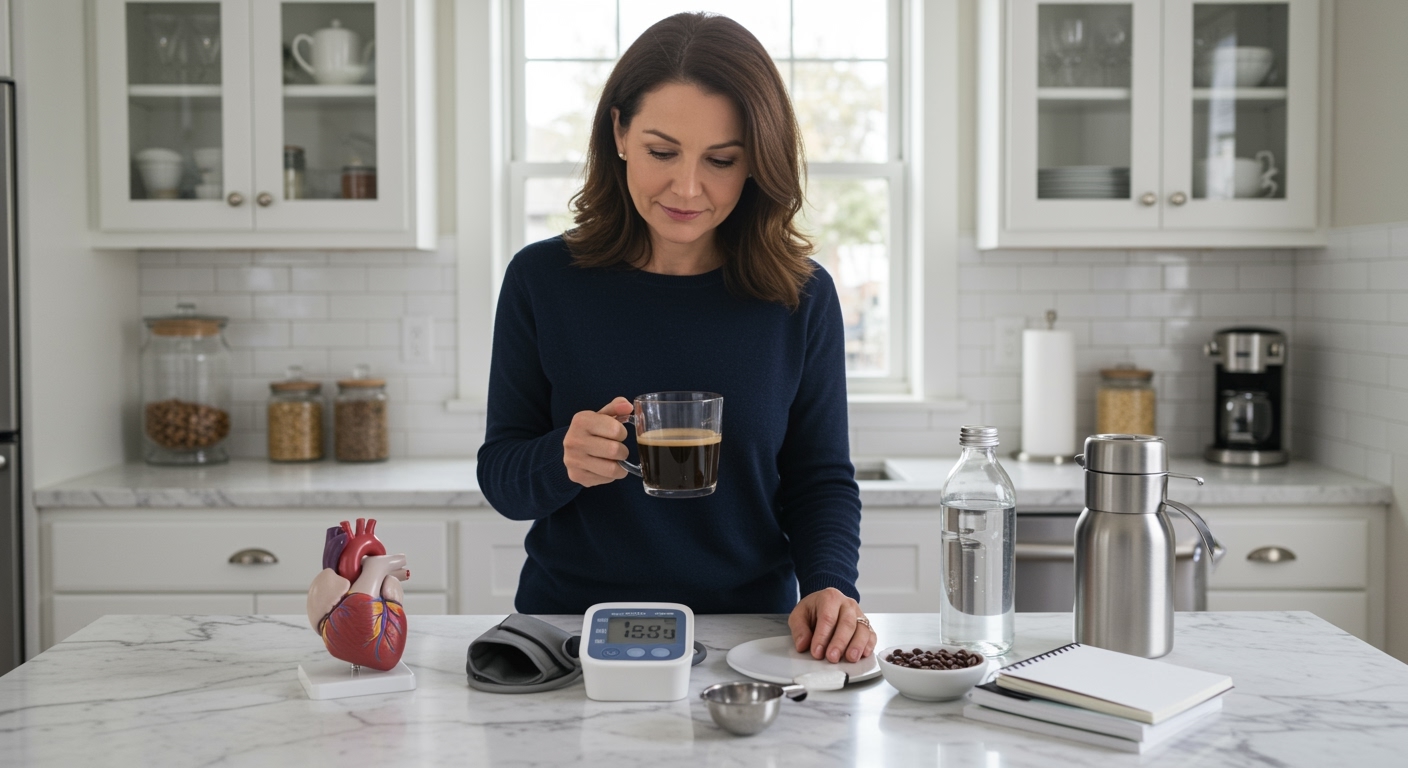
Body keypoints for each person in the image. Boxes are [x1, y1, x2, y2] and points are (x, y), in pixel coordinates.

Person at [476, 12, 874, 665]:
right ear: (620, 134)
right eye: (663, 151)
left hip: (750, 636)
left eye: (721, 160)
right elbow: (501, 477)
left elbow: (819, 477)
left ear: (756, 164)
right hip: (572, 630)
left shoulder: (800, 296)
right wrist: (562, 458)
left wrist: (831, 586)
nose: (688, 187)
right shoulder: (542, 280)